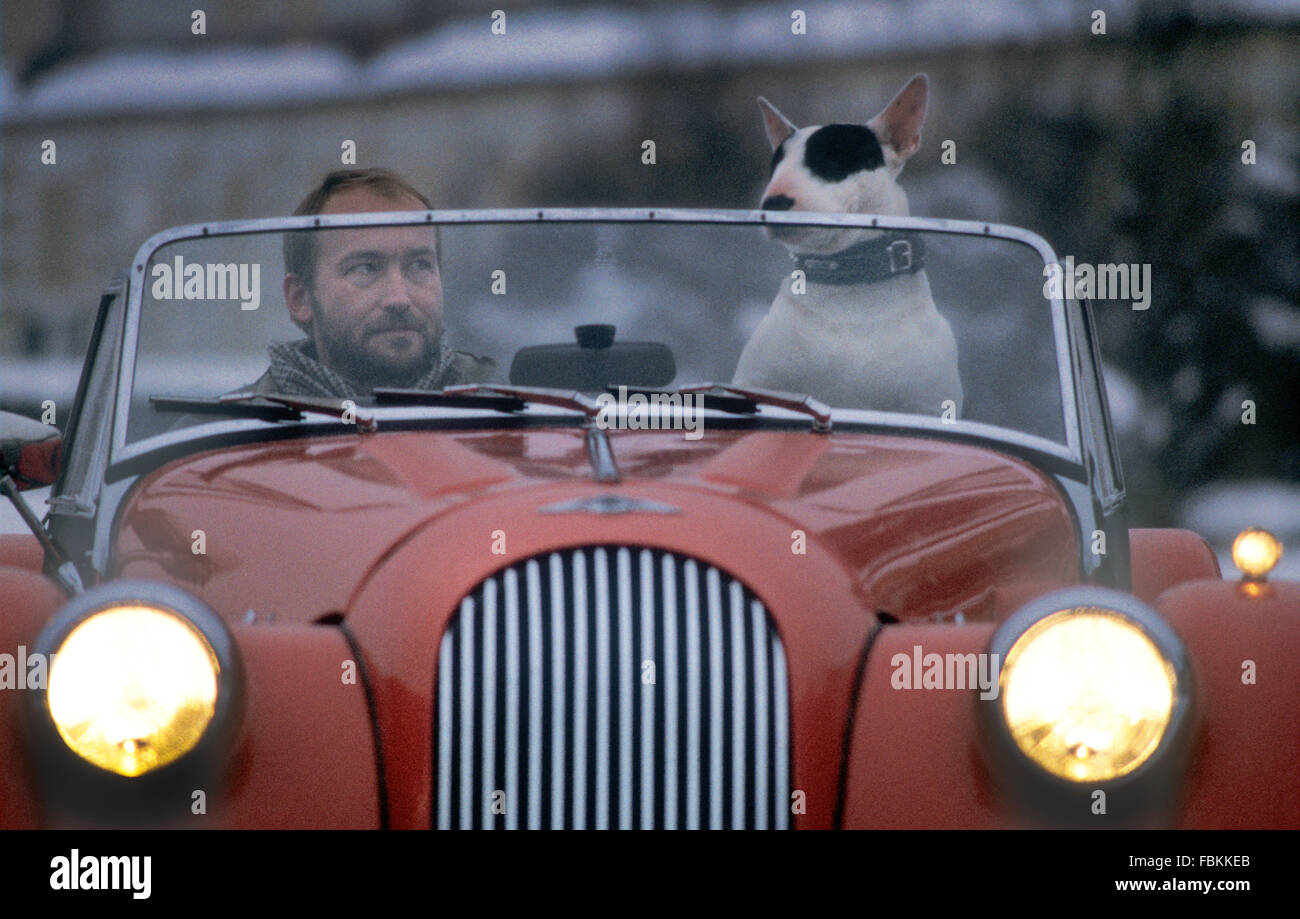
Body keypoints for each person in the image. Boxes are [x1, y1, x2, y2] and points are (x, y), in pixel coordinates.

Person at [240, 168, 494, 401]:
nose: (399, 299)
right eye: (365, 268)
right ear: (301, 298)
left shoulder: (509, 409)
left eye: (419, 265)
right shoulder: (235, 431)